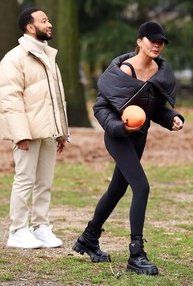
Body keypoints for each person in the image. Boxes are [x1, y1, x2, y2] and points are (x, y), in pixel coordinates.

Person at [72, 22, 184, 275]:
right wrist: (120, 128)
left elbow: (154, 109)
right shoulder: (125, 70)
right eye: (152, 40)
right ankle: (136, 253)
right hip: (118, 136)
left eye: (161, 42)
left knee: (116, 189)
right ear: (140, 41)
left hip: (139, 137)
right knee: (141, 187)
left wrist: (171, 118)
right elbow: (101, 108)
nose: (157, 45)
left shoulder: (158, 72)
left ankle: (88, 238)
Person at [0, 7, 69, 249]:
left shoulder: (49, 56)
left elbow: (57, 98)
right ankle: (17, 230)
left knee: (44, 182)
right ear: (30, 26)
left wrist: (61, 132)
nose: (50, 24)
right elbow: (10, 99)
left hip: (48, 132)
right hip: (26, 133)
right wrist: (20, 134)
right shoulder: (14, 58)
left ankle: (41, 227)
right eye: (44, 21)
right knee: (25, 180)